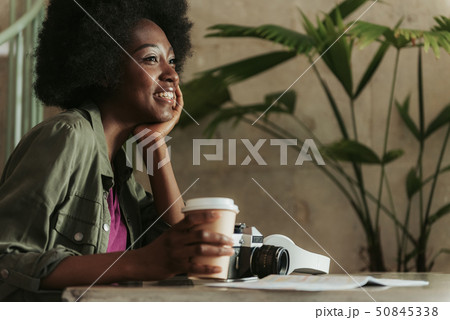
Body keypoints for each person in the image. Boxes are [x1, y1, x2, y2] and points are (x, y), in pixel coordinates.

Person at [0, 0, 233, 301]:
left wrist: (155, 145)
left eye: (172, 61)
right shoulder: (67, 137)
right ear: (105, 70)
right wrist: (140, 263)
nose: (172, 75)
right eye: (151, 59)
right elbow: (6, 262)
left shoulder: (118, 170)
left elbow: (178, 248)